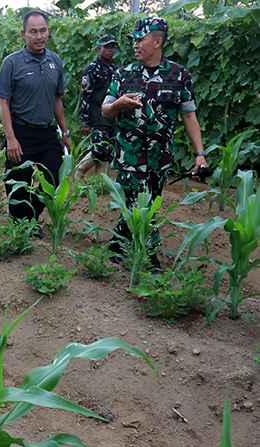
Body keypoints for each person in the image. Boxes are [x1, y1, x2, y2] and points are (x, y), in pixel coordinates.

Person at [101, 17, 208, 269]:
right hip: (130, 157)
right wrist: (119, 104)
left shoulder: (179, 75)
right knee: (142, 206)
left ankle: (117, 244)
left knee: (141, 204)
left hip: (160, 158)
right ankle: (149, 258)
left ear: (157, 41)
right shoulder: (123, 74)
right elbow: (106, 110)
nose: (135, 45)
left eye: (141, 39)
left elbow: (189, 115)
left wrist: (199, 153)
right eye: (134, 40)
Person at [0, 10, 71, 226]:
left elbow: (57, 100)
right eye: (33, 31)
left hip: (47, 133)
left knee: (57, 177)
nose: (39, 36)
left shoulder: (54, 60)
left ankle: (31, 217)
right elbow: (4, 103)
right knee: (19, 183)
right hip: (21, 132)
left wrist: (64, 132)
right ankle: (21, 229)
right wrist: (10, 138)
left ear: (49, 31)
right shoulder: (12, 63)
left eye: (43, 31)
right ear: (23, 34)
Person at [75, 34, 118, 180]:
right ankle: (79, 172)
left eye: (112, 47)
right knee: (99, 150)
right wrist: (85, 122)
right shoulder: (91, 70)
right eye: (107, 47)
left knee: (107, 151)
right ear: (99, 49)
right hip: (97, 117)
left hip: (112, 117)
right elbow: (86, 96)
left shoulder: (115, 69)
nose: (110, 50)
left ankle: (100, 183)